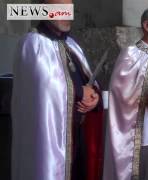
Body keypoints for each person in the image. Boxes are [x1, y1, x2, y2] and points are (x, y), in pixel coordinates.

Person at [11, 0, 104, 179]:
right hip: (51, 137)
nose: (66, 15)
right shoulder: (33, 42)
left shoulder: (71, 44)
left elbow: (90, 81)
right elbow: (44, 87)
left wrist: (95, 97)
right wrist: (79, 91)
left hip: (78, 131)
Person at [103, 6, 148, 180]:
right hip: (144, 136)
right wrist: (145, 100)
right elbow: (118, 95)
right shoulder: (131, 54)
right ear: (146, 25)